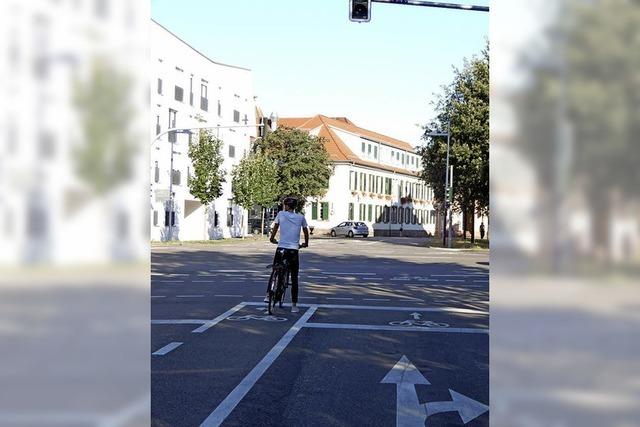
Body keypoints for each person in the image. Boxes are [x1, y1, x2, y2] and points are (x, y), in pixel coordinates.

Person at [266, 197, 309, 313]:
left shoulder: (280, 214)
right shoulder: (300, 217)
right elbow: (306, 231)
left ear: (287, 206)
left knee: (275, 268)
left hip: (281, 248)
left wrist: (272, 238)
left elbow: (275, 227)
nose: (283, 206)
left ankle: (267, 294)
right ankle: (294, 305)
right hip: (293, 250)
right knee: (294, 277)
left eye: (285, 204)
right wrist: (305, 243)